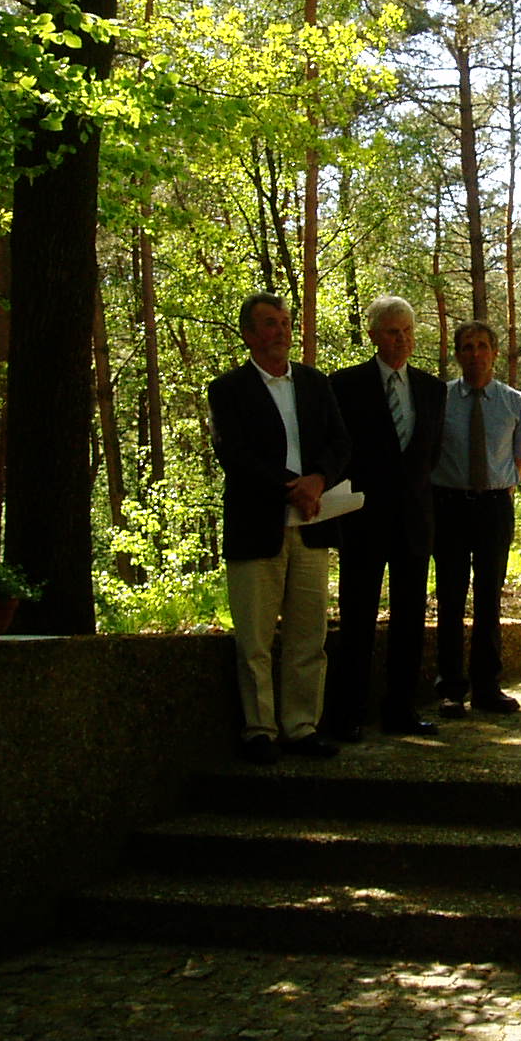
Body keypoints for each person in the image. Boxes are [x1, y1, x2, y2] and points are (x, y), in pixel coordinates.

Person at [206, 292, 352, 765]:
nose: (281, 331)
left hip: (312, 526)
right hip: (256, 527)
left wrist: (318, 480)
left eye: (286, 322)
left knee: (309, 637)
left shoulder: (314, 383)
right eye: (270, 323)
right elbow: (234, 455)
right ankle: (260, 731)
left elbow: (340, 443)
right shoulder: (227, 390)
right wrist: (292, 487)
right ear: (249, 334)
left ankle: (302, 727)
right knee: (255, 639)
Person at [325, 296, 446, 740]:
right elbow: (339, 450)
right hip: (362, 519)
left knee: (410, 617)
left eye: (408, 331)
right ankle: (350, 713)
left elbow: (430, 455)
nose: (402, 339)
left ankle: (401, 710)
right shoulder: (345, 385)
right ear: (374, 335)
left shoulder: (432, 389)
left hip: (414, 519)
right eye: (393, 332)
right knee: (358, 617)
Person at [429, 320, 521, 718]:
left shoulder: (515, 403)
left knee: (489, 596)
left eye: (483, 346)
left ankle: (488, 686)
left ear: (495, 352)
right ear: (457, 354)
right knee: (450, 595)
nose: (476, 354)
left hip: (494, 507)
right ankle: (451, 689)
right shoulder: (439, 399)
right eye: (468, 347)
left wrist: (498, 487)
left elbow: (520, 458)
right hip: (449, 505)